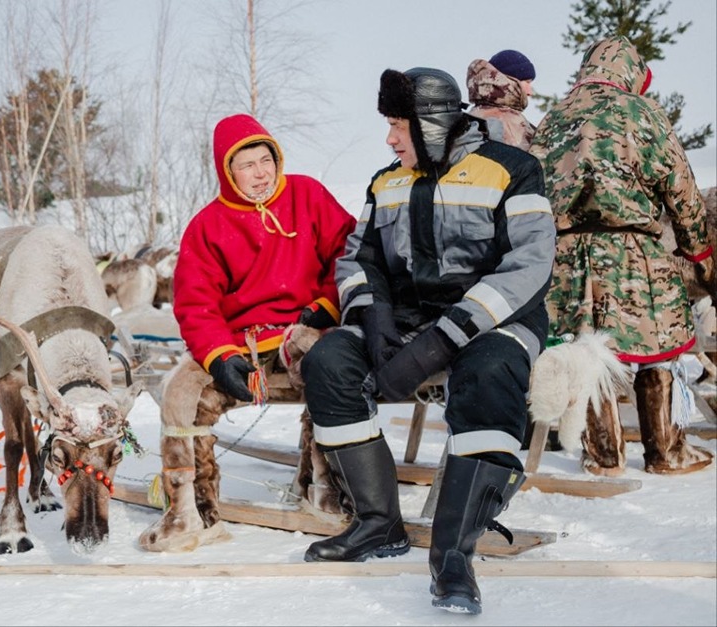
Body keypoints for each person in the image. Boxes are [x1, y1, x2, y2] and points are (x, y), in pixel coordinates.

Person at [300, 67, 556, 615]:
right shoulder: (384, 181)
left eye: (398, 125)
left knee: (488, 376)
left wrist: (439, 345)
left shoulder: (513, 170)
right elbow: (358, 257)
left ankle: (454, 558)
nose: (390, 138)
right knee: (328, 362)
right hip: (410, 319)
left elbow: (529, 266)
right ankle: (377, 523)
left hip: (495, 320)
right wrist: (374, 318)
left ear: (433, 124)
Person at [137, 113, 356, 553]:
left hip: (306, 328)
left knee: (331, 369)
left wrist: (325, 305)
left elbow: (349, 252)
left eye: (266, 160)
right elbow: (195, 303)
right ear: (226, 171)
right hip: (243, 343)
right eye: (247, 165)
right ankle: (192, 510)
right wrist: (219, 354)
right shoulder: (207, 226)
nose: (261, 173)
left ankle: (327, 489)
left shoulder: (308, 196)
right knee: (182, 394)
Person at [530, 35, 715, 476]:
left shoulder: (554, 119)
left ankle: (604, 456)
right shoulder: (643, 112)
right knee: (657, 352)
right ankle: (666, 451)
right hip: (635, 252)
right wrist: (699, 252)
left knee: (588, 353)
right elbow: (681, 188)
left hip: (568, 255)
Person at [466, 49, 537, 150]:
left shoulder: (474, 117)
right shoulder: (507, 121)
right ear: (511, 81)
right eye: (527, 82)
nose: (530, 92)